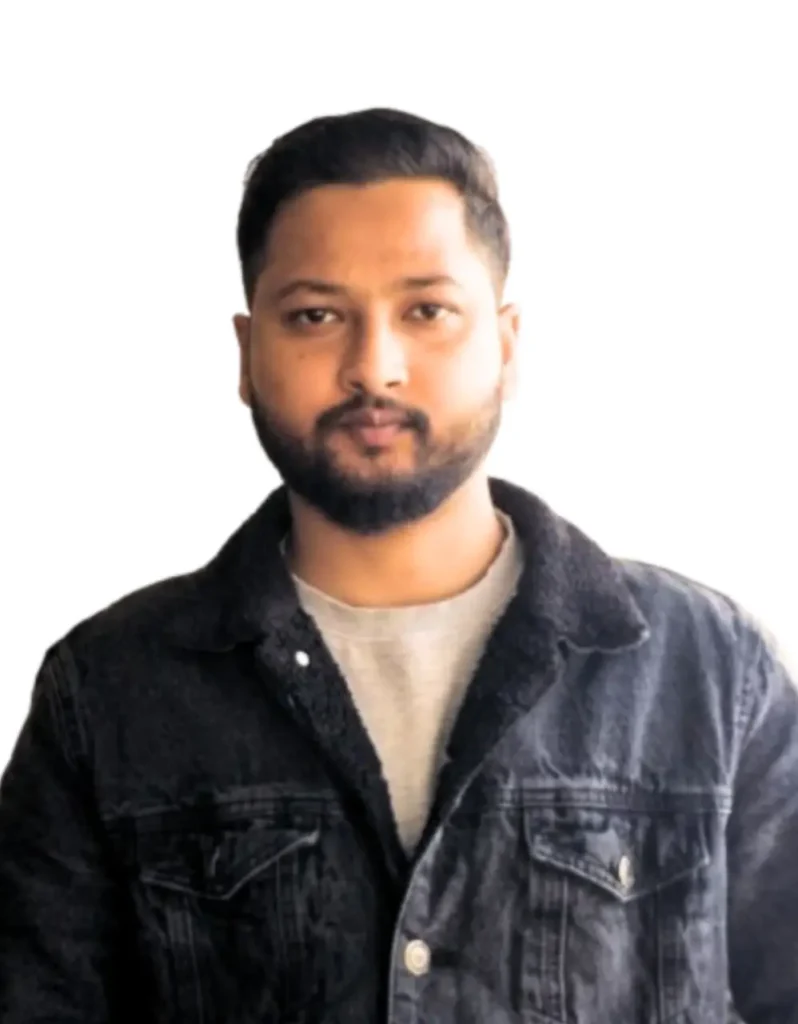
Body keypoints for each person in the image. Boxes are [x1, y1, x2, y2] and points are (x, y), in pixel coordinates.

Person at [0, 107, 796, 1024]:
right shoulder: (108, 691)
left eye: (427, 311)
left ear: (505, 345)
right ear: (248, 355)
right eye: (316, 315)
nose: (373, 367)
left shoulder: (708, 671)